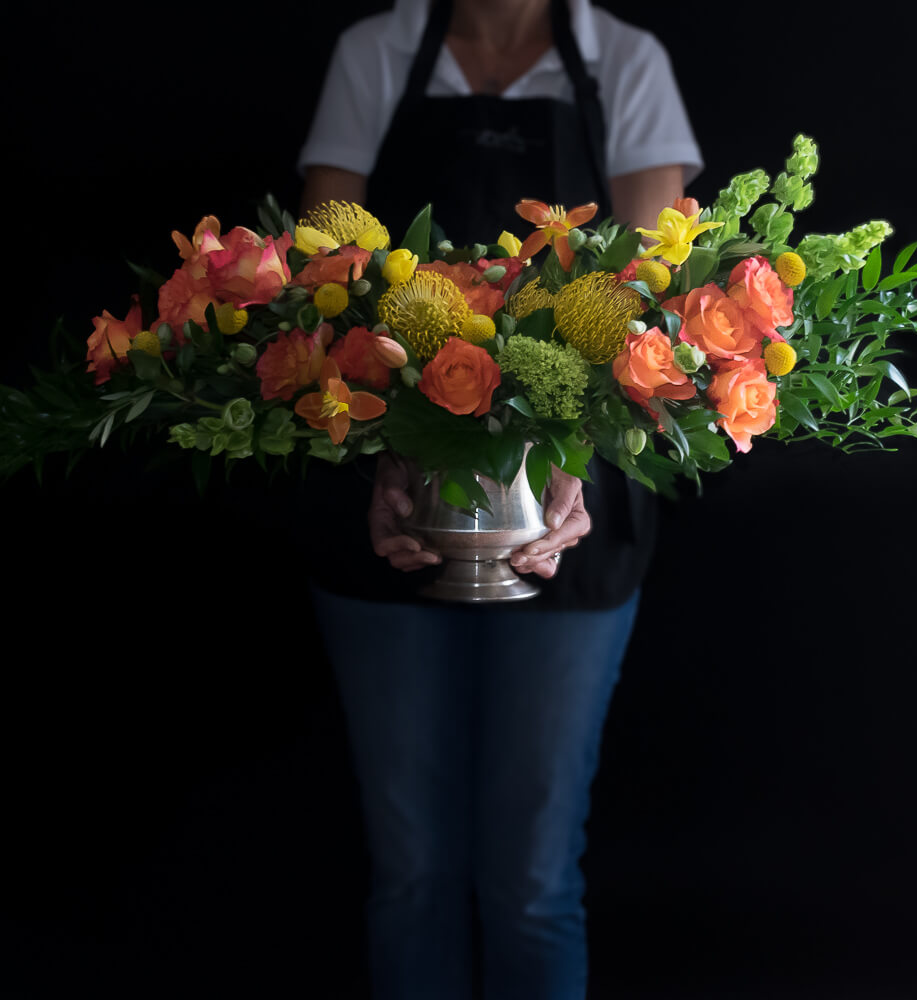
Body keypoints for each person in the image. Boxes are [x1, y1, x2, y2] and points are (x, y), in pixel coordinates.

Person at [297, 1, 702, 996]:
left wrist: (572, 458)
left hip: (567, 514)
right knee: (411, 875)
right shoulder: (376, 52)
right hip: (378, 497)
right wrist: (392, 456)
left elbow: (659, 298)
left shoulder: (625, 64)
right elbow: (315, 285)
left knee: (530, 881)